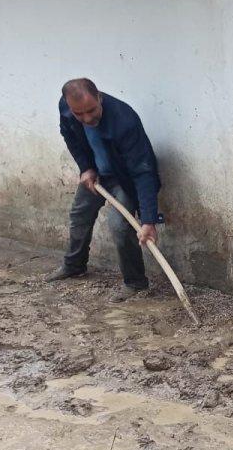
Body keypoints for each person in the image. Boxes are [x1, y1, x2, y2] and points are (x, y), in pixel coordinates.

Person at [46, 79, 162, 302]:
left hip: (123, 178)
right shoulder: (66, 108)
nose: (87, 119)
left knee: (119, 226)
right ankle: (74, 266)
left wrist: (149, 220)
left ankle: (135, 283)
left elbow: (143, 171)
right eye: (80, 114)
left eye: (92, 110)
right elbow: (69, 135)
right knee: (79, 214)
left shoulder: (124, 120)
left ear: (99, 97)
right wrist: (86, 168)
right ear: (70, 107)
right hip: (97, 175)